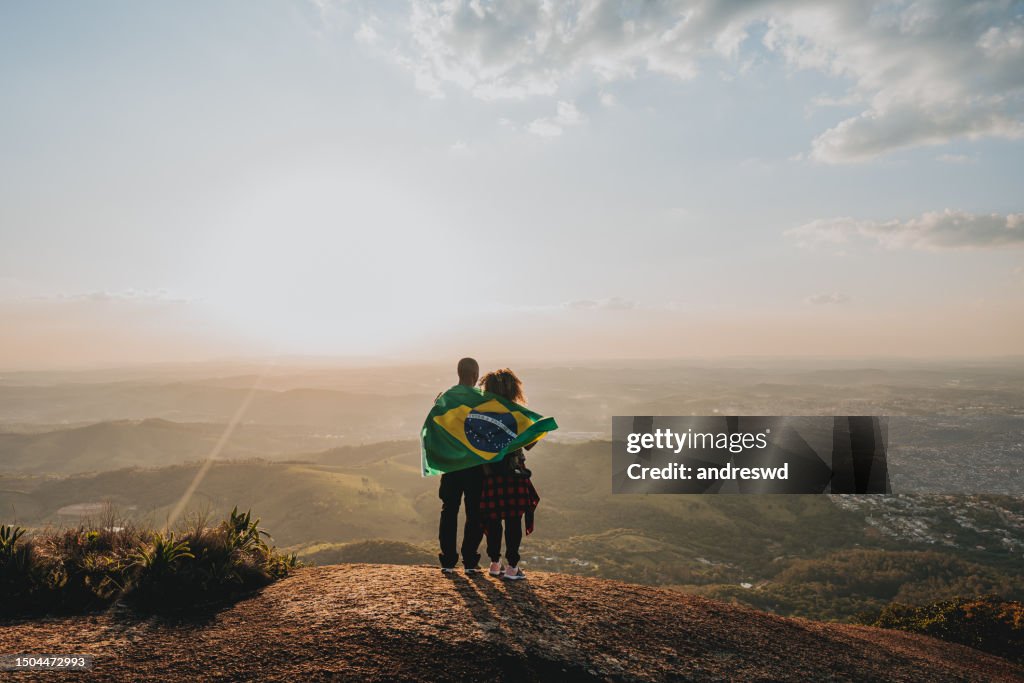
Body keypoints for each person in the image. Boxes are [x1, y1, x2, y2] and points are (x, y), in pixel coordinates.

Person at [478, 368, 540, 581]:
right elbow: (531, 443)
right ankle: (513, 567)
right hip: (514, 474)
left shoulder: (481, 414)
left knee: (493, 520)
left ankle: (495, 563)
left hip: (490, 474)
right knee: (513, 521)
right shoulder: (517, 414)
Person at [437, 357, 486, 574]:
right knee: (474, 512)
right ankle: (470, 561)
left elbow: (436, 430)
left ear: (458, 373)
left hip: (451, 465)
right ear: (475, 375)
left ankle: (448, 560)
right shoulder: (482, 400)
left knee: (449, 510)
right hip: (475, 466)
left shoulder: (445, 398)